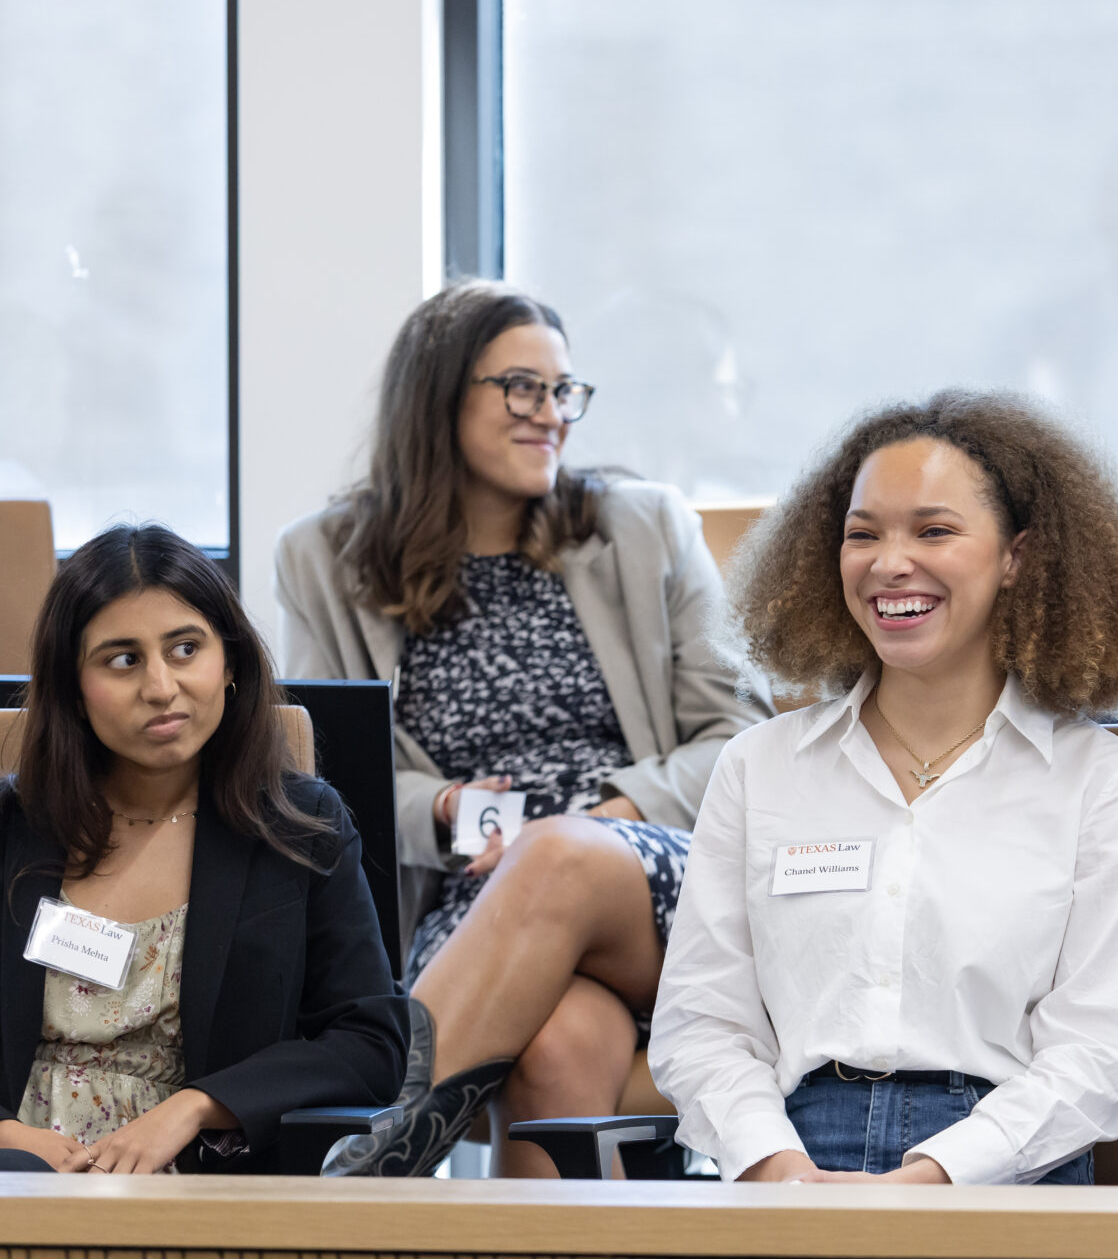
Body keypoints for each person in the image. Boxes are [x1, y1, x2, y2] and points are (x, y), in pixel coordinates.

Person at [274, 280, 771, 1177]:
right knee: (558, 1045)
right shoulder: (325, 557)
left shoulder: (643, 525)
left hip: (654, 877)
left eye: (564, 391)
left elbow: (742, 733)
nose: (553, 415)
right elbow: (327, 778)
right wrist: (445, 807)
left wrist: (604, 816)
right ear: (438, 394)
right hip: (471, 901)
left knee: (559, 856)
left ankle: (359, 1175)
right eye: (524, 388)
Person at [649, 391, 1118, 1184]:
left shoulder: (1103, 784)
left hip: (1004, 1173)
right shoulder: (758, 767)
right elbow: (703, 1023)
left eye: (934, 531)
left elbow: (1095, 1056)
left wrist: (933, 1178)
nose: (889, 563)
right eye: (862, 535)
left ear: (1017, 557)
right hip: (787, 1165)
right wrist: (778, 1169)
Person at [0, 525, 405, 1175]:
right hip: (18, 1178)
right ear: (74, 689)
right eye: (123, 659)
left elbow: (371, 1043)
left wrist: (195, 1106)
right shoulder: (10, 827)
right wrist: (7, 1139)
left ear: (230, 662)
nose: (161, 687)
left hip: (200, 1180)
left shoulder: (300, 828)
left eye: (185, 649)